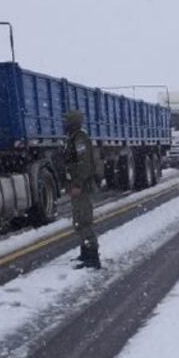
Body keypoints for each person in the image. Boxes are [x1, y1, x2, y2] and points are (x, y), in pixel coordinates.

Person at [64, 110, 102, 269]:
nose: (64, 124)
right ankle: (85, 253)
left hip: (82, 186)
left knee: (85, 220)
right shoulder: (74, 138)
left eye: (66, 121)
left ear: (73, 122)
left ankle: (92, 258)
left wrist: (78, 184)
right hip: (78, 184)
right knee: (79, 221)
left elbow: (84, 164)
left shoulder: (80, 138)